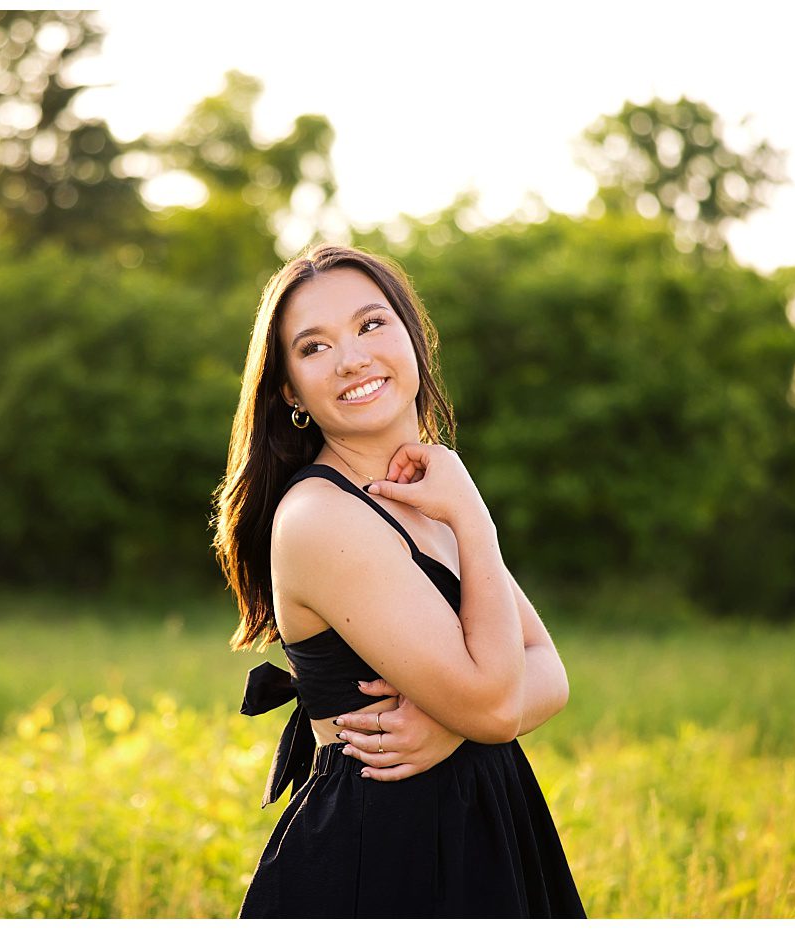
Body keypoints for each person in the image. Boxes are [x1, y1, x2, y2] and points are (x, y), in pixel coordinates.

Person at [211, 244, 584, 916]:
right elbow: (499, 706)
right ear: (290, 388)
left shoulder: (426, 485)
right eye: (315, 346)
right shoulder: (321, 516)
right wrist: (474, 517)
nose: (352, 357)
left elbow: (549, 669)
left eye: (371, 324)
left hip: (484, 824)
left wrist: (456, 723)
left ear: (413, 336)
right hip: (383, 851)